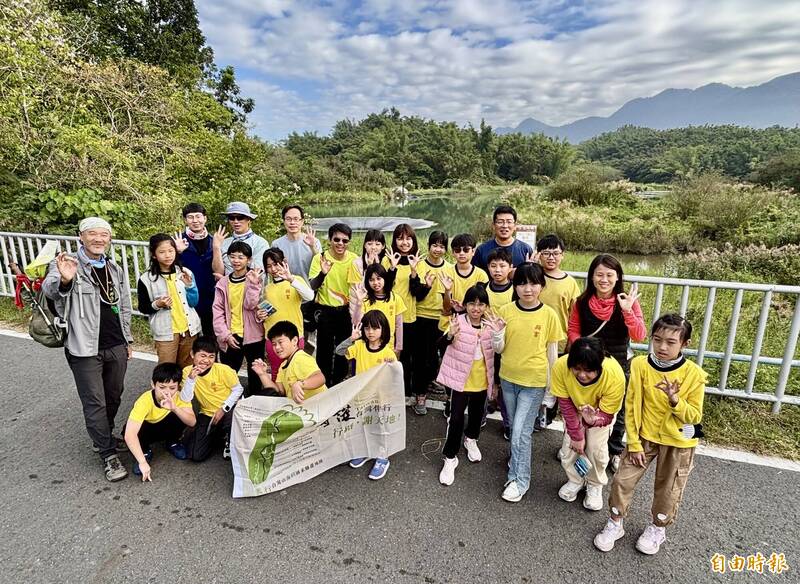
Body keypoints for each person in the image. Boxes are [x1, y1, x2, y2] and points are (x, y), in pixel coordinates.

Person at [594, 314, 706, 555]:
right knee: (623, 479)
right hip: (644, 436)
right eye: (657, 340)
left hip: (679, 439)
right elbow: (632, 405)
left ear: (685, 344)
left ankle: (658, 527)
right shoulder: (640, 365)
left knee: (669, 487)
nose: (663, 347)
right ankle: (615, 522)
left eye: (671, 342)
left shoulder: (694, 374)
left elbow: (695, 418)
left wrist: (675, 401)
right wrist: (633, 443)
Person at [43, 217, 134, 482]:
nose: (98, 239)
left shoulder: (114, 268)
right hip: (84, 347)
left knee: (114, 395)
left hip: (116, 343)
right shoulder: (66, 263)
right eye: (92, 234)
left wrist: (127, 339)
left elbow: (124, 306)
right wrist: (64, 280)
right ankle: (107, 454)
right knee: (95, 401)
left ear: (109, 238)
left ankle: (103, 435)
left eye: (103, 235)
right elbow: (51, 290)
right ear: (80, 237)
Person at [492, 262, 564, 502]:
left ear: (542, 286)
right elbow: (499, 349)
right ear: (515, 286)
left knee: (521, 432)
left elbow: (552, 355)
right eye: (522, 283)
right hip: (508, 378)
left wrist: (552, 391)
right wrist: (497, 334)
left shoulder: (549, 315)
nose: (528, 288)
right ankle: (517, 457)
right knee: (514, 428)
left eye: (533, 283)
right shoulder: (506, 311)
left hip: (533, 382)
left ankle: (519, 479)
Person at [568, 254, 646, 471]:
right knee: (581, 406)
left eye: (610, 275)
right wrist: (582, 349)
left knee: (618, 411)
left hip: (619, 365)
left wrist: (628, 310)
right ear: (592, 277)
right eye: (599, 274)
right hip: (587, 365)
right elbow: (573, 329)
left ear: (618, 277)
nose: (604, 279)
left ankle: (613, 450)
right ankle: (576, 444)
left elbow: (639, 335)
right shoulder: (581, 302)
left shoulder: (627, 302)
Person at [436, 285, 500, 486]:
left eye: (481, 304)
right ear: (465, 305)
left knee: (476, 415)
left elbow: (497, 355)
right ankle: (450, 457)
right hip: (460, 382)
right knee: (455, 419)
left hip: (482, 381)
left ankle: (471, 439)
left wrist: (495, 382)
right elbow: (439, 345)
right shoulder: (458, 322)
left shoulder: (491, 326)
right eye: (472, 303)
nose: (476, 308)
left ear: (486, 306)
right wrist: (450, 335)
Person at [551, 337, 625, 511]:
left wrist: (592, 420)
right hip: (575, 407)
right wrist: (577, 435)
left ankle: (594, 484)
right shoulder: (561, 366)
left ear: (599, 366)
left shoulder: (614, 375)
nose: (582, 375)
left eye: (588, 371)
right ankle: (575, 480)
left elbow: (607, 415)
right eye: (577, 369)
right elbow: (565, 403)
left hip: (599, 413)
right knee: (571, 447)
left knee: (595, 448)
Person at [335, 310, 397, 480]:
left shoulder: (387, 353)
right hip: (361, 396)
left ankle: (382, 457)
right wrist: (352, 339)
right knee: (363, 425)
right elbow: (339, 351)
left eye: (375, 328)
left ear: (383, 330)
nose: (370, 332)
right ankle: (366, 451)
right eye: (367, 328)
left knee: (381, 426)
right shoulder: (360, 346)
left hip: (380, 398)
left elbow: (395, 377)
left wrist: (392, 366)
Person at [438, 233, 489, 417]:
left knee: (474, 366)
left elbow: (481, 303)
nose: (462, 253)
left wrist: (465, 309)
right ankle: (451, 400)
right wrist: (448, 291)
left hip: (474, 328)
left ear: (473, 251)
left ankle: (476, 407)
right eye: (457, 250)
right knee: (451, 367)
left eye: (466, 250)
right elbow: (445, 309)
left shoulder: (481, 274)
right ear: (452, 253)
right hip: (451, 325)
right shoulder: (447, 272)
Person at [137, 234, 202, 368]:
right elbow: (143, 307)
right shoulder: (146, 279)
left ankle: (185, 390)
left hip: (190, 329)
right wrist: (157, 304)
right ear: (154, 255)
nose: (167, 255)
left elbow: (194, 302)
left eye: (171, 251)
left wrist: (190, 286)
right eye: (162, 252)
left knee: (188, 369)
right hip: (165, 332)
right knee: (166, 370)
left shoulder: (186, 273)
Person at [124, 362, 196, 481]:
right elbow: (130, 434)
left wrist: (175, 408)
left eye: (172, 388)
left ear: (178, 386)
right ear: (153, 384)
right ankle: (145, 451)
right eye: (162, 387)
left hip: (167, 426)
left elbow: (192, 422)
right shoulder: (144, 400)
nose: (167, 392)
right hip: (148, 430)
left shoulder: (180, 397)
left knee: (181, 415)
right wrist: (142, 462)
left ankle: (172, 442)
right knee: (134, 430)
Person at [212, 241, 266, 396]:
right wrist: (225, 335)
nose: (236, 260)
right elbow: (217, 311)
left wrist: (254, 284)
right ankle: (230, 404)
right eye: (232, 256)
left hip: (253, 334)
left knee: (255, 371)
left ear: (248, 260)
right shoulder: (223, 283)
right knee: (229, 372)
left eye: (241, 257)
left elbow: (250, 305)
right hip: (231, 334)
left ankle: (255, 401)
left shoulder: (255, 278)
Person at [180, 336, 243, 461]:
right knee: (196, 455)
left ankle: (230, 438)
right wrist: (191, 379)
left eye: (211, 356)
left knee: (232, 418)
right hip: (207, 413)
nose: (206, 360)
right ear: (193, 354)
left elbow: (238, 389)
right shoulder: (187, 372)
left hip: (229, 409)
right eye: (202, 356)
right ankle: (220, 434)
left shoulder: (223, 370)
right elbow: (185, 399)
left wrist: (223, 408)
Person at [384, 224, 426, 411]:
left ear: (413, 240)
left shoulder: (418, 262)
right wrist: (392, 268)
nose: (404, 242)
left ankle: (416, 394)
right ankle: (398, 393)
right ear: (394, 241)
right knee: (392, 358)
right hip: (388, 318)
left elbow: (418, 293)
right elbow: (383, 288)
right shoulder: (387, 261)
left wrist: (414, 271)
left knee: (412, 359)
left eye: (408, 238)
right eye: (400, 238)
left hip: (409, 317)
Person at [309, 223, 357, 385]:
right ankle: (323, 385)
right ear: (330, 240)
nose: (340, 244)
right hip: (325, 311)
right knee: (324, 352)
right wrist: (323, 273)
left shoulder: (354, 260)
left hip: (346, 311)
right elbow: (312, 286)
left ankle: (338, 383)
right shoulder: (320, 258)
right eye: (337, 239)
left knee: (343, 350)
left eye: (345, 241)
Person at [257, 248, 314, 381]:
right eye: (269, 266)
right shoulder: (266, 289)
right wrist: (260, 315)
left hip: (294, 337)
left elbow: (310, 296)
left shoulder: (296, 280)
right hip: (272, 338)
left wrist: (291, 279)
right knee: (277, 372)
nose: (273, 269)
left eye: (276, 264)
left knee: (296, 371)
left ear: (284, 262)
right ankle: (279, 399)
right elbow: (261, 311)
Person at [411, 231, 451, 414]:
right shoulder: (419, 266)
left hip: (441, 319)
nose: (438, 249)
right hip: (421, 317)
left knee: (438, 359)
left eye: (442, 246)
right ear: (429, 246)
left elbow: (451, 298)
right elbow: (416, 295)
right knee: (420, 358)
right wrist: (426, 285)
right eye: (435, 245)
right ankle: (420, 395)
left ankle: (434, 384)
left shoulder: (450, 269)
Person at [173, 203, 225, 336]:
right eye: (190, 217)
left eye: (198, 216)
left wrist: (217, 248)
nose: (195, 221)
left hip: (211, 296)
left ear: (205, 218)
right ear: (185, 220)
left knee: (211, 336)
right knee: (190, 337)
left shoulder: (215, 241)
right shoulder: (178, 241)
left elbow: (219, 272)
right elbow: (168, 268)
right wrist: (177, 252)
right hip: (187, 295)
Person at [252, 321, 327, 404]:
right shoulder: (283, 365)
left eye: (280, 342)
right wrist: (262, 374)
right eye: (274, 344)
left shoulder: (301, 358)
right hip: (304, 410)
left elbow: (320, 378)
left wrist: (300, 384)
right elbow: (279, 392)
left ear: (294, 340)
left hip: (320, 409)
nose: (277, 347)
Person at [484, 248, 514, 436]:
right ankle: (485, 408)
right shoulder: (484, 288)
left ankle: (508, 422)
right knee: (486, 376)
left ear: (510, 268)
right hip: (486, 343)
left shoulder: (514, 291)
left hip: (507, 343)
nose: (497, 270)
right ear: (488, 267)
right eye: (493, 266)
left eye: (502, 266)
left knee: (504, 383)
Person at [351, 263, 405, 353]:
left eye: (379, 278)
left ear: (385, 278)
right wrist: (359, 303)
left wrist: (399, 347)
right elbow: (356, 323)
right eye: (371, 280)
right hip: (368, 346)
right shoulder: (365, 299)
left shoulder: (396, 298)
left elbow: (399, 325)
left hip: (389, 346)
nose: (375, 283)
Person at [472, 205, 533, 271]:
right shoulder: (482, 250)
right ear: (493, 225)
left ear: (515, 226)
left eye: (509, 222)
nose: (505, 226)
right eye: (500, 222)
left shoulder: (525, 250)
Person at [271, 204, 322, 284]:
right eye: (288, 219)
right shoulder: (276, 244)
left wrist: (312, 247)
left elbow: (320, 264)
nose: (292, 222)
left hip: (310, 289)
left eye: (296, 219)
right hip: (286, 290)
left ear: (302, 221)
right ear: (283, 221)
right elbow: (274, 270)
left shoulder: (314, 241)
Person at [347, 229, 391, 321]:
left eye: (377, 244)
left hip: (383, 308)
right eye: (370, 244)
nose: (373, 247)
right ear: (364, 245)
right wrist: (369, 268)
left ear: (383, 246)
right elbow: (356, 290)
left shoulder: (387, 262)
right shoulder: (356, 263)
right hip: (362, 309)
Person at [219, 202, 270, 274]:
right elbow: (218, 271)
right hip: (226, 284)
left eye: (240, 218)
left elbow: (257, 270)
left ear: (249, 219)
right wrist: (216, 247)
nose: (236, 221)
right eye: (232, 218)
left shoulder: (260, 243)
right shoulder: (224, 243)